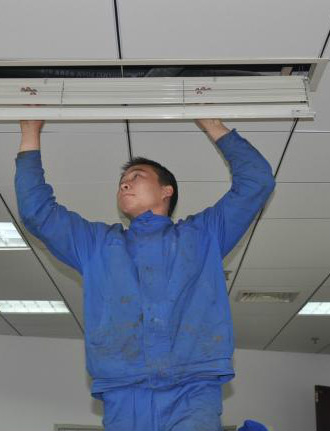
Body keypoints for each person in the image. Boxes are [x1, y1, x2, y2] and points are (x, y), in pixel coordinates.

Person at [15, 119, 276, 431]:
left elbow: (257, 181)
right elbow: (37, 212)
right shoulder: (97, 245)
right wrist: (30, 132)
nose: (124, 184)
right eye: (122, 182)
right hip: (123, 389)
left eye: (136, 176)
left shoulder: (203, 235)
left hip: (193, 387)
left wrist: (212, 124)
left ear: (167, 190)